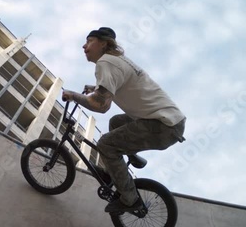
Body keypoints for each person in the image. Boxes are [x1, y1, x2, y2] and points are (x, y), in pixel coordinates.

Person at [62, 27, 186, 213]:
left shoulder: (105, 63)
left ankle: (130, 198)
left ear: (103, 43)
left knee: (106, 145)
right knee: (116, 122)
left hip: (162, 125)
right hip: (170, 122)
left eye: (89, 41)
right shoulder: (118, 61)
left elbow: (100, 104)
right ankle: (127, 159)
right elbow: (107, 99)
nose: (84, 46)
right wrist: (96, 88)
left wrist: (73, 95)